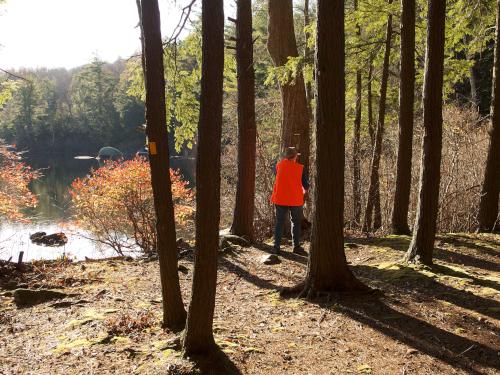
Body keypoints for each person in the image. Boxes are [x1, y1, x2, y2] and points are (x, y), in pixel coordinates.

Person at [271, 147, 309, 255]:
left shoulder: (278, 166)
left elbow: (277, 176)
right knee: (296, 223)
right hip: (295, 200)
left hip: (280, 199)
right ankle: (296, 247)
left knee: (279, 223)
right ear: (295, 156)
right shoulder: (300, 168)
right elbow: (305, 185)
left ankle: (276, 247)